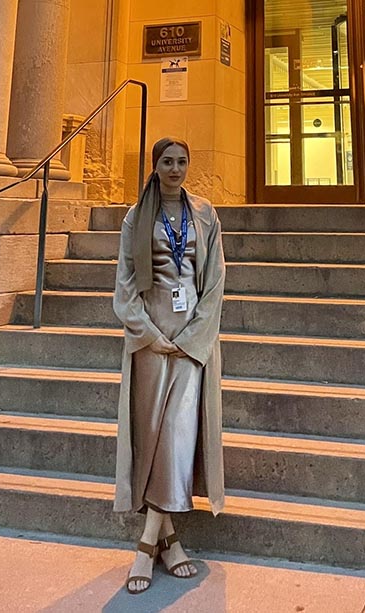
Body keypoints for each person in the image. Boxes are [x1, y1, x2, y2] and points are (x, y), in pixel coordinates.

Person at [112, 137, 226, 595]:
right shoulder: (134, 218)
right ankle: (171, 540)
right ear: (154, 166)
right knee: (152, 436)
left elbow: (215, 281)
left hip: (192, 340)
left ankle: (147, 544)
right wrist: (150, 335)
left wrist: (193, 337)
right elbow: (123, 285)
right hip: (150, 338)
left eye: (182, 161)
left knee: (178, 437)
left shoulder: (206, 214)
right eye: (167, 161)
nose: (175, 168)